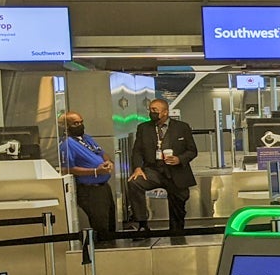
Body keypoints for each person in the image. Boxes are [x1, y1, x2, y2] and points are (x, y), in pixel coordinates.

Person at [126, 99, 198, 239]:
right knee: (134, 183)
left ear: (165, 112)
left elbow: (192, 151)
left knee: (179, 201)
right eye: (150, 109)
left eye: (155, 110)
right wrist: (137, 168)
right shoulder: (143, 128)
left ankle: (177, 231)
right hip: (153, 171)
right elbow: (137, 151)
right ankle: (142, 224)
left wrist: (179, 159)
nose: (151, 112)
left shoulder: (182, 127)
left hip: (176, 172)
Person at [57, 111, 116, 245]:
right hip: (89, 190)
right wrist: (95, 171)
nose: (80, 125)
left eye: (81, 122)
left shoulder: (86, 138)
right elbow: (67, 168)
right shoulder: (66, 145)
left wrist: (108, 162)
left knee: (110, 223)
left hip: (103, 187)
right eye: (75, 123)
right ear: (66, 126)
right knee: (100, 226)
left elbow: (102, 153)